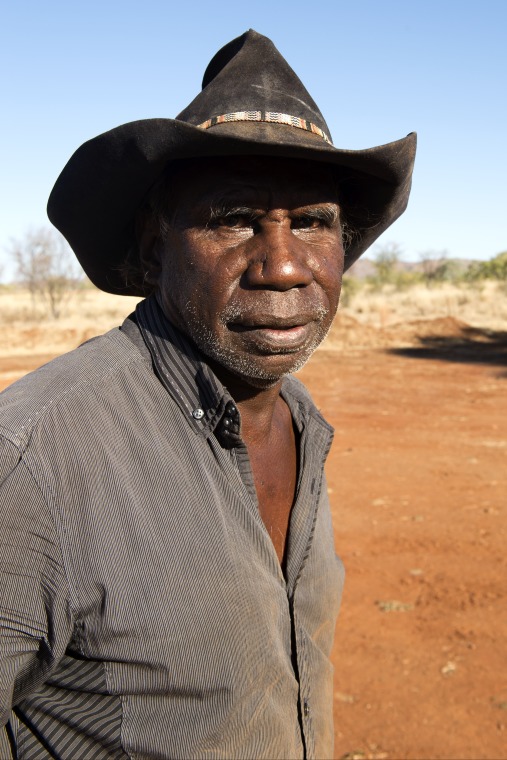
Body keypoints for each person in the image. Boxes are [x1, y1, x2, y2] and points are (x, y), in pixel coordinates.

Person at [0, 30, 415, 760]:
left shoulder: (300, 421)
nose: (284, 266)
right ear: (155, 247)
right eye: (233, 219)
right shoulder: (37, 461)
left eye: (312, 222)